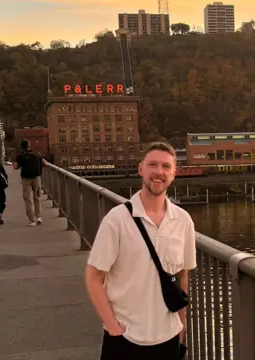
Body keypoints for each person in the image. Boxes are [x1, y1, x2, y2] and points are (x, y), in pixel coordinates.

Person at [85, 142, 196, 360]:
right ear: (140, 169)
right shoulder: (116, 220)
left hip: (168, 337)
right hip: (125, 338)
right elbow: (93, 277)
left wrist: (181, 328)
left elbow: (183, 277)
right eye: (152, 165)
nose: (159, 172)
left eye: (166, 167)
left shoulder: (183, 220)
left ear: (174, 173)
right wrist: (113, 327)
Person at [13, 139, 47, 227]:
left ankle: (32, 220)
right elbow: (45, 163)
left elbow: (15, 167)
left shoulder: (20, 155)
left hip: (26, 179)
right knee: (37, 198)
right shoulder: (37, 154)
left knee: (28, 200)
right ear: (29, 145)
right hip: (36, 178)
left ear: (21, 147)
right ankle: (39, 217)